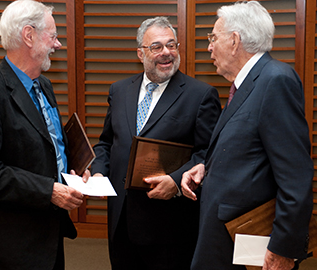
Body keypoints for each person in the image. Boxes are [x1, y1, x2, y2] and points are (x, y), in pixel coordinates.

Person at [181, 1, 313, 270]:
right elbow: (249, 150)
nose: (209, 47)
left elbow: (295, 176)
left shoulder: (275, 80)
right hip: (225, 235)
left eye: (213, 38)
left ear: (234, 40)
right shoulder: (245, 84)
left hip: (249, 242)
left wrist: (283, 248)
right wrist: (205, 167)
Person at [0, 0, 89, 269]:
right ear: (29, 36)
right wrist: (48, 191)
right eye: (53, 36)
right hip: (12, 244)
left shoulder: (44, 84)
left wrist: (74, 170)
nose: (58, 44)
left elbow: (50, 143)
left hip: (50, 234)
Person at [90, 16, 221, 270]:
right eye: (157, 47)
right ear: (140, 53)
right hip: (120, 220)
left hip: (169, 224)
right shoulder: (119, 90)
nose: (166, 53)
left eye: (172, 45)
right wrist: (97, 172)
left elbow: (210, 154)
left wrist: (175, 181)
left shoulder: (200, 95)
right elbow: (106, 143)